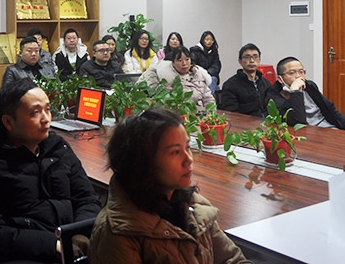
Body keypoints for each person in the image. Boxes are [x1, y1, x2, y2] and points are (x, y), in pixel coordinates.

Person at [0, 78, 101, 263]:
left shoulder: (58, 148)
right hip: (24, 254)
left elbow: (87, 199)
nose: (46, 119)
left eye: (47, 109)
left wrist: (79, 233)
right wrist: (53, 245)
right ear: (8, 122)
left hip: (71, 244)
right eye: (35, 112)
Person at [90, 108, 251, 263]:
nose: (189, 159)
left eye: (187, 147)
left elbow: (233, 259)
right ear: (142, 162)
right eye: (175, 152)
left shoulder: (192, 204)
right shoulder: (116, 234)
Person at [264, 56, 345, 131]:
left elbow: (332, 110)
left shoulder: (309, 86)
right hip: (307, 133)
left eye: (301, 72)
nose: (298, 76)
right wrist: (295, 92)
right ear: (280, 79)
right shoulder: (274, 97)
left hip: (328, 128)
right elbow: (298, 122)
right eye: (292, 73)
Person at [142, 46, 215, 112]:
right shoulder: (168, 79)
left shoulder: (198, 75)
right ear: (173, 63)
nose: (184, 63)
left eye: (187, 59)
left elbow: (209, 99)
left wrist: (210, 112)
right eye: (180, 60)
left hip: (201, 114)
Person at [219, 44, 272, 118]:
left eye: (255, 57)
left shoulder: (266, 83)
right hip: (245, 123)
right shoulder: (230, 85)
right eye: (247, 57)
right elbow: (232, 114)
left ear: (259, 60)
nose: (252, 60)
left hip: (267, 122)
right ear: (240, 61)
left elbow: (271, 107)